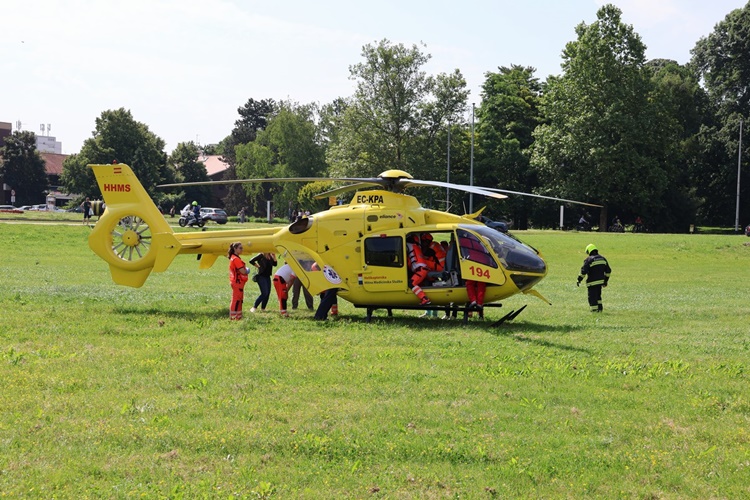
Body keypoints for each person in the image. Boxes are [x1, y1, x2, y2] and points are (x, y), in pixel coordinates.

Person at [577, 243, 612, 312]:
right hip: (600, 282)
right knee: (598, 297)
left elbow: (583, 272)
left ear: (589, 251)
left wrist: (579, 280)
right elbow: (608, 271)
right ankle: (600, 309)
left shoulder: (588, 260)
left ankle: (594, 311)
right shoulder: (603, 259)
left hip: (592, 282)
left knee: (592, 297)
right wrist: (605, 281)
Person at [227, 242, 250, 320]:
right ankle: (233, 317)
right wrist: (247, 270)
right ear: (235, 249)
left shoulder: (234, 257)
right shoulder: (236, 259)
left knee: (239, 299)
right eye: (240, 248)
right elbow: (242, 271)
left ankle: (238, 316)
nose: (242, 249)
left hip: (237, 282)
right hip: (237, 282)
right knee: (236, 300)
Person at [406, 234, 431, 305]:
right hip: (423, 269)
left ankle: (424, 298)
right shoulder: (417, 247)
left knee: (411, 283)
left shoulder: (408, 245)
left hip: (421, 270)